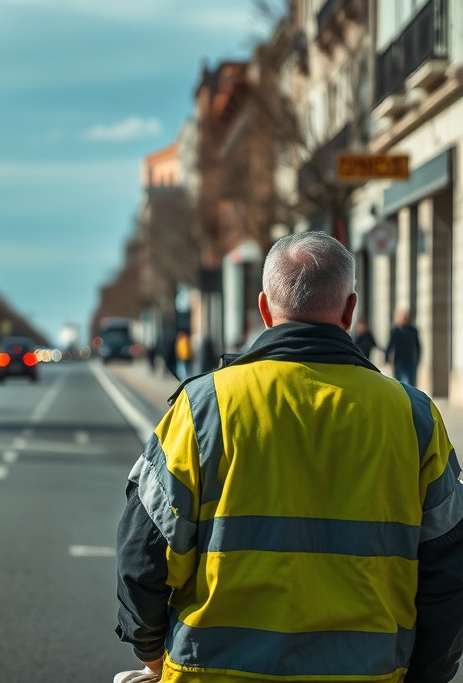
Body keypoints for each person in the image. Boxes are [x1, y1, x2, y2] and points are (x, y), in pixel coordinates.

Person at [115, 231, 463, 683]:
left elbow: (145, 552)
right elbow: (448, 566)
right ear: (350, 310)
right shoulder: (414, 416)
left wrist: (150, 650)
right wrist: (426, 674)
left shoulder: (204, 407)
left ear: (264, 308)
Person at [386, 308, 421, 387]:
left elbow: (418, 346)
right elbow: (391, 345)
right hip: (399, 362)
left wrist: (418, 359)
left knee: (411, 384)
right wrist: (387, 359)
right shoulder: (396, 331)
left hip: (410, 361)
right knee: (399, 384)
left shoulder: (413, 330)